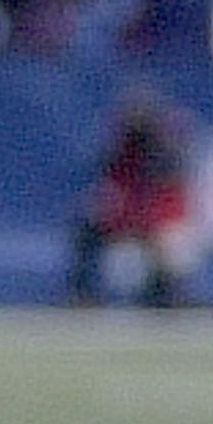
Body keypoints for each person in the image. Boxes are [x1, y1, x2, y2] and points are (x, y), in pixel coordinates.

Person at [66, 84, 198, 308]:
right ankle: (82, 293)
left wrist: (147, 221)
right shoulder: (118, 155)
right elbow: (110, 193)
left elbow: (171, 202)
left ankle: (167, 296)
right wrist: (118, 216)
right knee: (86, 230)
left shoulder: (166, 157)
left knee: (171, 244)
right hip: (126, 218)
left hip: (158, 223)